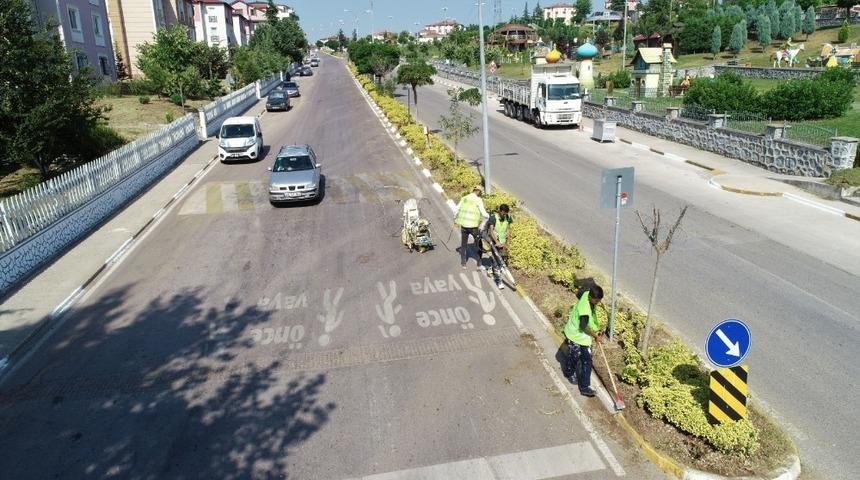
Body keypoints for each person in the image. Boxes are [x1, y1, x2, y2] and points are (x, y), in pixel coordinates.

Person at [563, 285, 604, 397]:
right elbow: (583, 326)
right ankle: (569, 372)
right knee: (574, 356)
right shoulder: (585, 309)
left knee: (587, 360)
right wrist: (596, 336)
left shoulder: (587, 292)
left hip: (584, 336)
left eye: (599, 300)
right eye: (596, 300)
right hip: (575, 334)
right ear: (590, 297)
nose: (598, 302)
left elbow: (578, 292)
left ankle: (585, 387)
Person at [454, 185, 489, 269]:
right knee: (479, 244)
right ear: (478, 191)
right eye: (480, 192)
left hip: (464, 226)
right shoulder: (478, 200)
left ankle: (463, 263)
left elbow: (456, 209)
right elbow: (484, 214)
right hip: (473, 227)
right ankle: (479, 263)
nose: (480, 194)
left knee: (463, 244)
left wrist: (455, 219)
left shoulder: (464, 198)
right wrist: (488, 216)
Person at [484, 203, 512, 289]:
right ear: (500, 211)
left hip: (503, 242)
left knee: (501, 259)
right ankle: (499, 281)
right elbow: (491, 231)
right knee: (497, 262)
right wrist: (496, 241)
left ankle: (490, 269)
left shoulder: (508, 217)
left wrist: (507, 241)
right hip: (494, 243)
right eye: (503, 213)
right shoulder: (493, 218)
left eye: (506, 214)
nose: (505, 215)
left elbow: (508, 228)